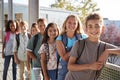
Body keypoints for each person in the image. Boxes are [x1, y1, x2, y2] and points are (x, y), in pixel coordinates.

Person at [65, 13, 118, 80]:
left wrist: (107, 51)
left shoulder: (104, 47)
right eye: (90, 26)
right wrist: (90, 66)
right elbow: (70, 66)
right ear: (86, 29)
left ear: (103, 29)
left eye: (97, 26)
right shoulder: (79, 44)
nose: (93, 29)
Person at [56, 14, 87, 80]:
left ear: (77, 25)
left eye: (74, 23)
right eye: (69, 23)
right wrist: (76, 47)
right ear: (65, 24)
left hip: (78, 67)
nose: (72, 25)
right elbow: (64, 57)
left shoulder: (83, 37)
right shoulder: (60, 38)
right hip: (64, 68)